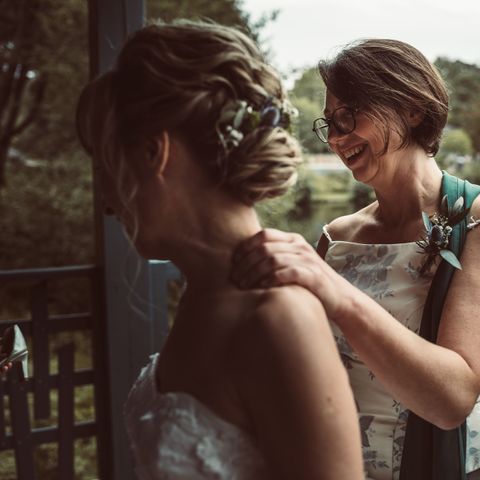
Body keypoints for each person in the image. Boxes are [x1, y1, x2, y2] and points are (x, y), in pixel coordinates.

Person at [76, 20, 363, 480]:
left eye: (108, 166)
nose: (107, 202)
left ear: (154, 153)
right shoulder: (203, 292)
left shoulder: (278, 317)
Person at [232, 39, 480, 479]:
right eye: (329, 123)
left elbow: (451, 401)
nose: (336, 137)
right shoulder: (337, 237)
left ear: (411, 108)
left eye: (349, 115)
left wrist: (330, 289)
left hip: (465, 467)